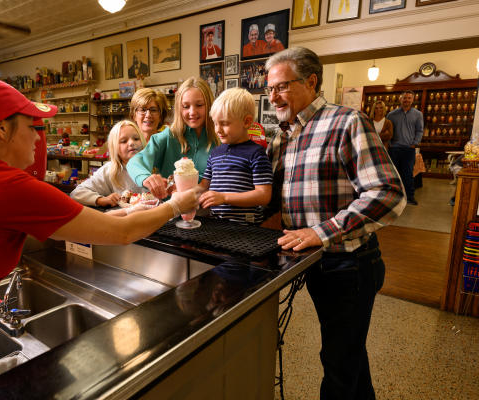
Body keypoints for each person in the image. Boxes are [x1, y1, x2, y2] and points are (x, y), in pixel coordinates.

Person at [0, 78, 198, 400]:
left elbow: (87, 222)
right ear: (1, 129)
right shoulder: (5, 185)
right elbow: (122, 234)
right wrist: (175, 205)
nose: (37, 136)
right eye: (31, 125)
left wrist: (130, 212)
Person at [264, 47, 405, 400]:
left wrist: (320, 231)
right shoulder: (283, 136)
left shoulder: (346, 122)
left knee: (339, 363)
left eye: (281, 86)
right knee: (349, 355)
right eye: (269, 89)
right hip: (314, 262)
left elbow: (387, 192)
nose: (273, 96)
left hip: (350, 262)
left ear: (311, 81)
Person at [127, 77, 219, 199]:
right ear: (179, 108)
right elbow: (135, 162)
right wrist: (146, 177)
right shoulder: (169, 136)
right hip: (172, 213)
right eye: (186, 106)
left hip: (209, 213)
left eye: (199, 105)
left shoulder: (219, 139)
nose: (192, 112)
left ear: (209, 105)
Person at [198, 88, 272, 224]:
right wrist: (183, 191)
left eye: (224, 123)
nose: (218, 130)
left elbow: (263, 195)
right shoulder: (215, 153)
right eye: (215, 123)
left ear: (247, 122)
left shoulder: (257, 154)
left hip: (247, 227)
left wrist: (224, 197)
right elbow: (203, 186)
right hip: (217, 224)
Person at [70, 120, 146, 207]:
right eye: (124, 141)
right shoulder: (110, 170)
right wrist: (101, 200)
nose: (132, 143)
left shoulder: (155, 164)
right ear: (115, 148)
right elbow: (77, 193)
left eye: (136, 139)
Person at [387, 90, 424, 205]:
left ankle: (409, 197)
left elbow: (419, 130)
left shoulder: (418, 114)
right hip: (394, 149)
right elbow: (388, 131)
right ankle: (394, 197)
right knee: (394, 175)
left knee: (408, 174)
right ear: (400, 99)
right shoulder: (391, 115)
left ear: (412, 100)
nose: (406, 100)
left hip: (409, 149)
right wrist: (389, 143)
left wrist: (415, 143)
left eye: (409, 98)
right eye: (404, 98)